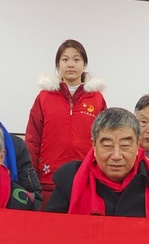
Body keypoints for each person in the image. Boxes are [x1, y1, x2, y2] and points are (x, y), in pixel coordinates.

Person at [45, 107, 149, 218]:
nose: (116, 156)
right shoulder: (69, 179)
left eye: (125, 146)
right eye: (107, 146)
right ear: (94, 145)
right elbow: (51, 231)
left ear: (137, 145)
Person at [25, 39, 107, 205]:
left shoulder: (97, 99)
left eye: (76, 59)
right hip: (48, 181)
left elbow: (104, 140)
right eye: (65, 59)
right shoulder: (44, 97)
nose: (70, 64)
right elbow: (33, 140)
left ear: (84, 64)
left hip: (87, 179)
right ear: (58, 65)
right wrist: (31, 176)